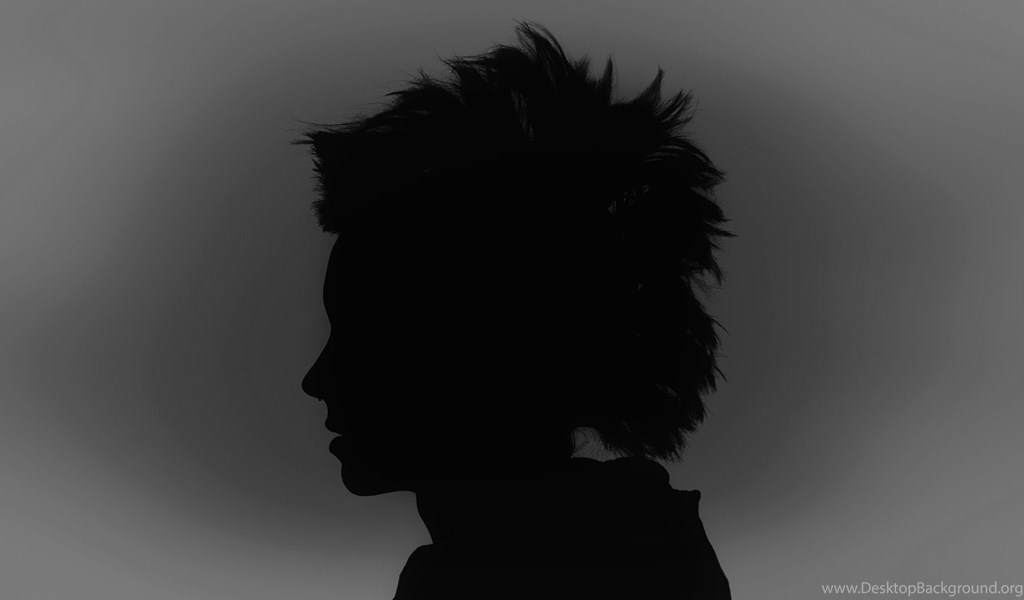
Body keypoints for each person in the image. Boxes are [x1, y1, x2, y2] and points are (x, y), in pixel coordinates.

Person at [298, 21, 732, 599]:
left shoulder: (514, 577)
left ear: (481, 353)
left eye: (365, 339)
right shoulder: (640, 551)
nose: (316, 381)